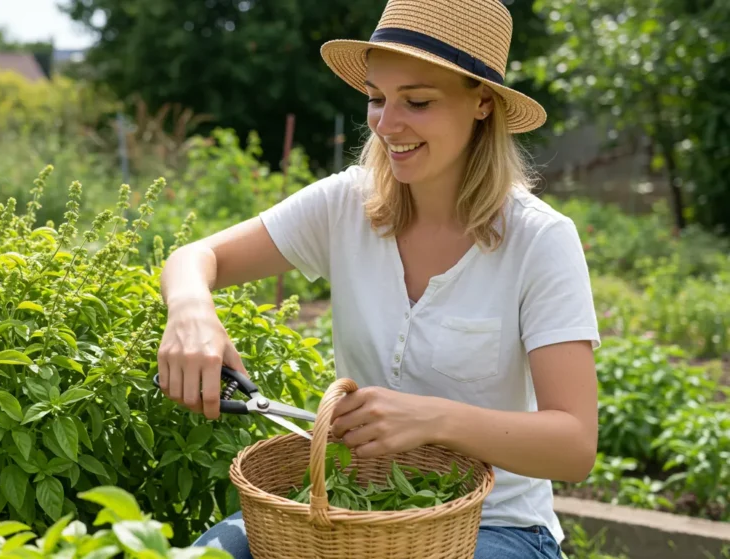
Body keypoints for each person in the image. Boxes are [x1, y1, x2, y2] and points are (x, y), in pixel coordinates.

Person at [155, 0, 600, 557]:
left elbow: (575, 445)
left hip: (496, 525)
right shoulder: (348, 202)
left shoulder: (539, 241)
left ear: (482, 102)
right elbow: (194, 257)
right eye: (375, 98)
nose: (387, 125)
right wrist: (193, 309)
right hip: (349, 507)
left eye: (417, 101)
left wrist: (433, 418)